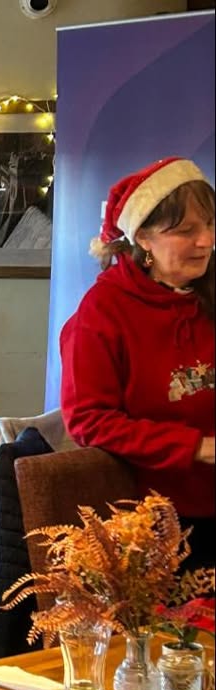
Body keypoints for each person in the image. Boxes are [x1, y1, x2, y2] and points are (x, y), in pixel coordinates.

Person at [60, 156, 215, 567]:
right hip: (155, 525)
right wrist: (197, 447)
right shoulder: (103, 311)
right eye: (186, 231)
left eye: (210, 224)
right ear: (144, 236)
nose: (206, 241)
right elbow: (88, 420)